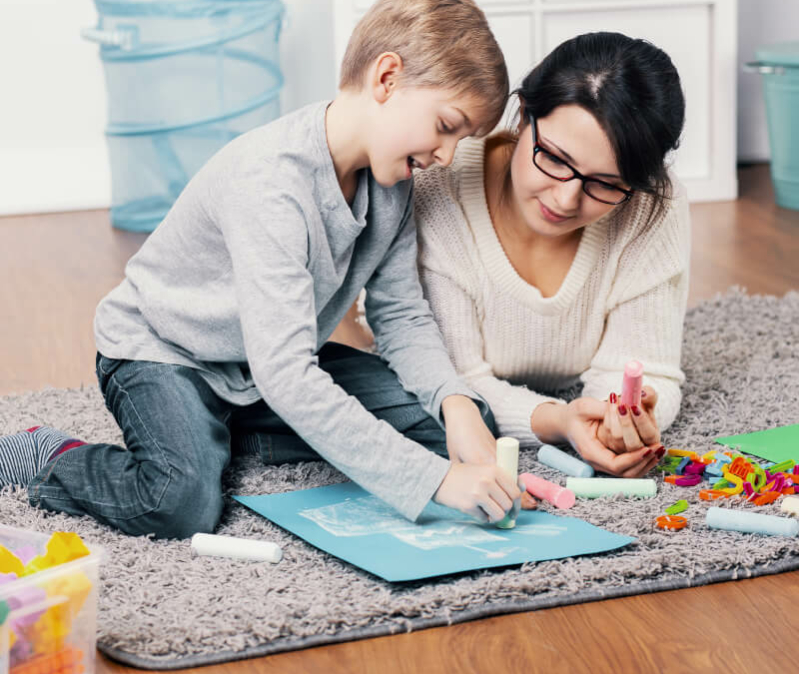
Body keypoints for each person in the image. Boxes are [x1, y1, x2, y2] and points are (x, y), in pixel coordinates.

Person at [0, 0, 521, 538]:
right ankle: (47, 455)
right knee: (179, 501)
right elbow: (289, 375)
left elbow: (403, 317)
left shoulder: (393, 188)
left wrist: (455, 403)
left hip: (260, 366)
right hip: (166, 355)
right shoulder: (271, 183)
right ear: (386, 77)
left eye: (461, 142)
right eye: (445, 127)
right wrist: (435, 482)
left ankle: (222, 435)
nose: (446, 155)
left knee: (460, 426)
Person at [412, 32, 690, 479]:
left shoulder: (649, 206)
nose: (565, 200)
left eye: (606, 183)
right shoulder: (440, 183)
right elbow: (453, 384)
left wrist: (619, 421)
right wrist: (558, 421)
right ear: (524, 115)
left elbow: (647, 367)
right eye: (555, 159)